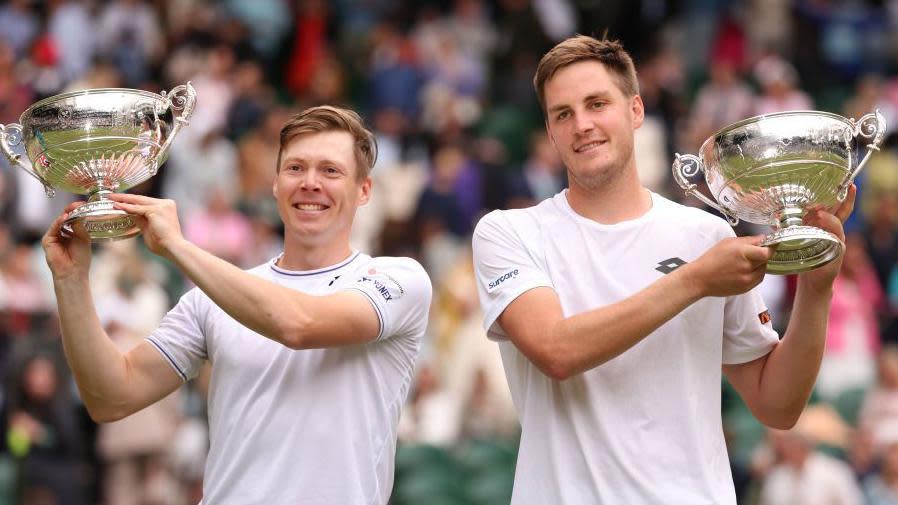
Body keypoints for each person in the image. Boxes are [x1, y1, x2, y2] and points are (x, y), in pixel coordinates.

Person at [471, 35, 854, 504]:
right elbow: (555, 351)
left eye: (597, 104)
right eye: (563, 114)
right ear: (549, 132)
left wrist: (817, 288)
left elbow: (777, 404)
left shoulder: (705, 236)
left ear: (635, 111)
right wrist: (693, 280)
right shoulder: (509, 233)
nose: (582, 125)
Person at [42, 105, 433, 504]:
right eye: (295, 168)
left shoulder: (398, 279)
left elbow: (299, 325)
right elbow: (110, 397)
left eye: (331, 171)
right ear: (276, 184)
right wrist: (70, 280)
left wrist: (178, 247)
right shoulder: (212, 300)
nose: (310, 183)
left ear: (364, 190)